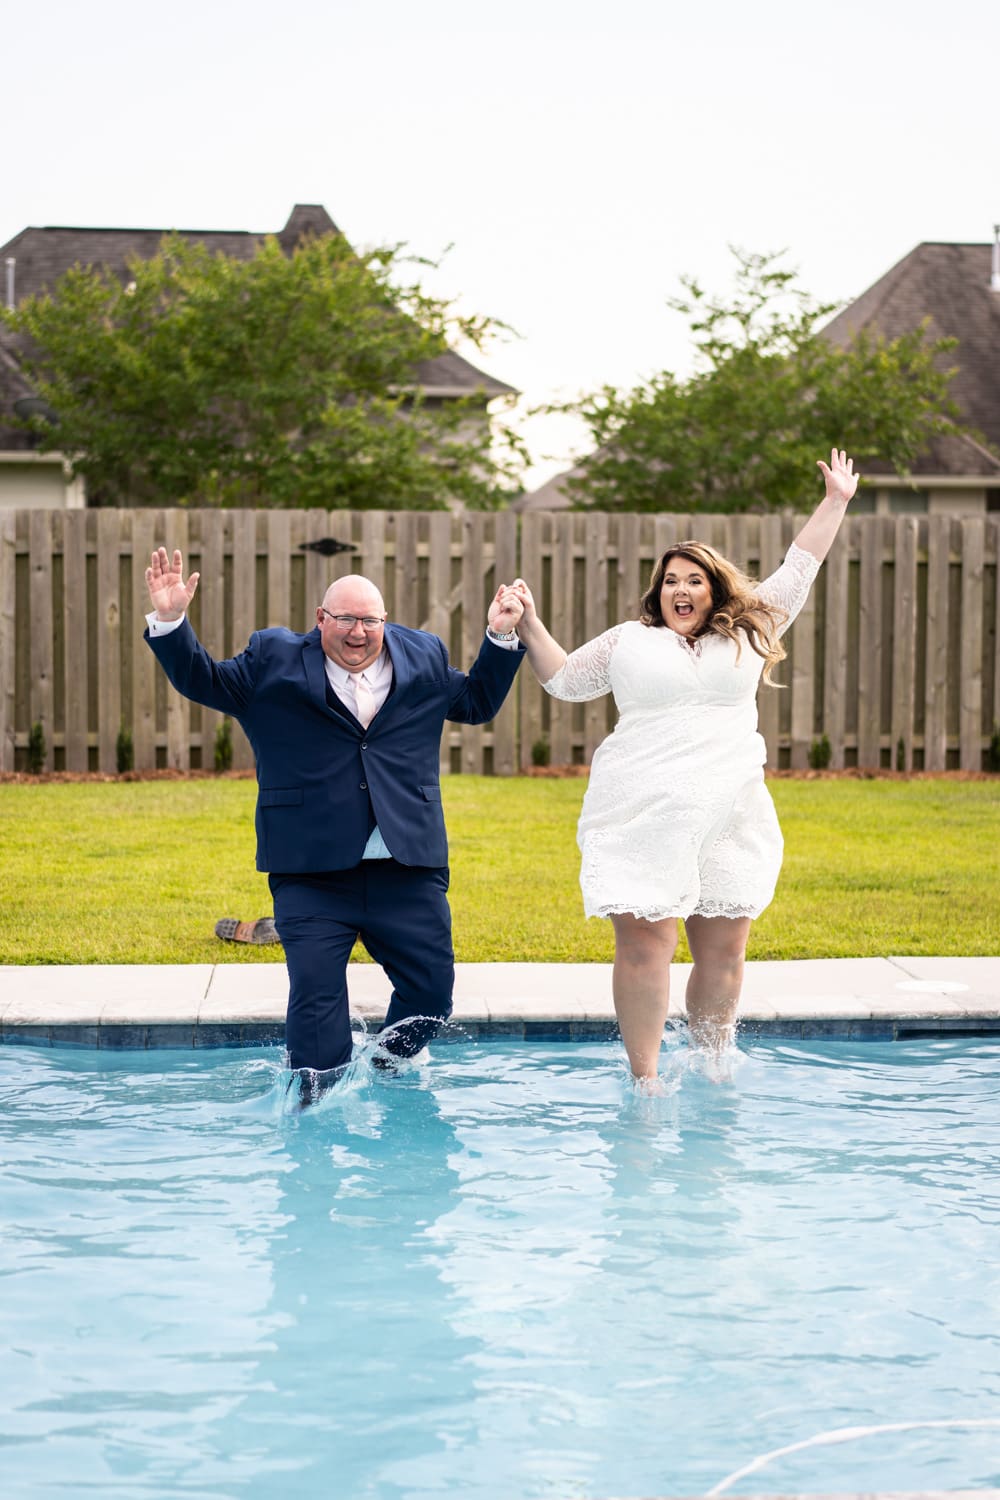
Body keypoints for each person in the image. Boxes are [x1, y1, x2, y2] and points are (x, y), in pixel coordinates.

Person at [510, 449, 860, 1086]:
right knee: (648, 945)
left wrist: (835, 500)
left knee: (724, 949)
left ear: (715, 588)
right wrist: (530, 624)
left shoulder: (749, 631)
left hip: (730, 809)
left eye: (694, 579)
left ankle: (711, 1064)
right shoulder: (628, 641)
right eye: (671, 580)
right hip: (643, 807)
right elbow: (562, 681)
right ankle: (645, 1082)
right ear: (658, 590)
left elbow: (799, 564)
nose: (682, 589)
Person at [144, 552, 525, 1102]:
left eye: (370, 620)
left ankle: (385, 1069)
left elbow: (477, 702)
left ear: (384, 622)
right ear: (321, 618)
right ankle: (314, 1115)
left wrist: (498, 635)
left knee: (432, 998)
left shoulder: (421, 654)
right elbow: (203, 680)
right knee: (318, 1008)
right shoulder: (270, 659)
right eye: (345, 619)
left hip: (407, 866)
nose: (358, 632)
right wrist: (173, 623)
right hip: (312, 870)